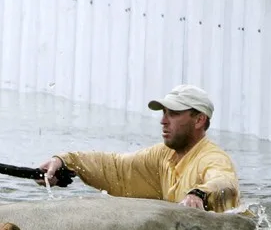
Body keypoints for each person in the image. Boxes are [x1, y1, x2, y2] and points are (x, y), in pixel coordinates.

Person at [37, 84, 240, 213]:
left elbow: (224, 182)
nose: (163, 121)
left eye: (174, 114)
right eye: (164, 113)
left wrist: (199, 193)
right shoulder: (164, 155)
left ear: (199, 120)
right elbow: (116, 168)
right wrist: (65, 161)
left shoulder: (212, 157)